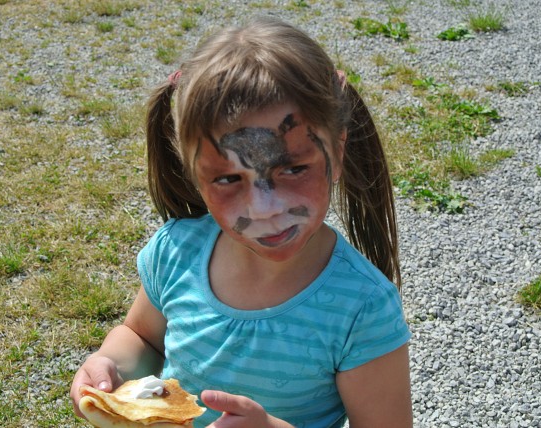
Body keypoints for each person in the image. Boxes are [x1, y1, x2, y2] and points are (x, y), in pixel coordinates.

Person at [70, 16, 412, 428]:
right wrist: (111, 365)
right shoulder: (177, 252)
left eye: (292, 169)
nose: (264, 208)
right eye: (229, 179)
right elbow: (143, 338)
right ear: (194, 173)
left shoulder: (361, 306)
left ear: (337, 153)